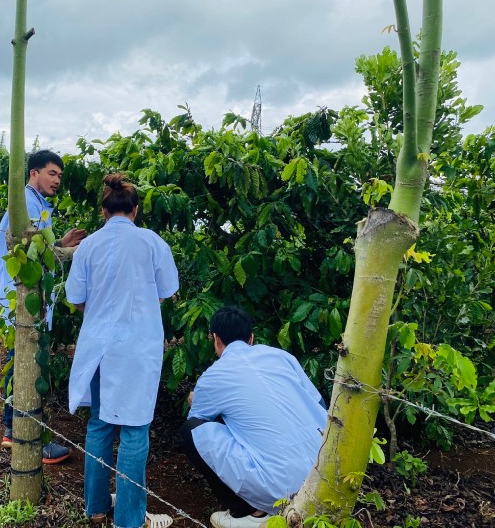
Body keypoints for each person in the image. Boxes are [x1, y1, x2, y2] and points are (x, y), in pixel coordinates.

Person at [66, 174, 178, 528]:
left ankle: (96, 508)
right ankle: (129, 519)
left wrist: (101, 313)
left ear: (103, 211)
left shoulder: (88, 246)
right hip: (138, 348)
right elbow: (166, 291)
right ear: (136, 210)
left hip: (98, 346)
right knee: (135, 429)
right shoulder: (152, 242)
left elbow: (75, 298)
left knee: (100, 424)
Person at [181, 307, 327, 528]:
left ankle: (250, 514)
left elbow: (198, 423)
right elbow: (318, 402)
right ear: (251, 338)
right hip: (326, 469)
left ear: (216, 339)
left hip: (280, 486)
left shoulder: (213, 377)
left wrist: (195, 401)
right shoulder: (281, 356)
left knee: (190, 430)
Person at [0, 149, 86, 464]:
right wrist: (76, 253)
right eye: (51, 173)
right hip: (22, 301)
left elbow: (36, 249)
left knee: (18, 363)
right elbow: (35, 257)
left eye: (59, 176)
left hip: (21, 299)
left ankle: (12, 429)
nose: (57, 180)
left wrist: (60, 244)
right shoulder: (29, 204)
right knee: (24, 365)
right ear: (33, 173)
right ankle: (22, 434)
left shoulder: (37, 205)